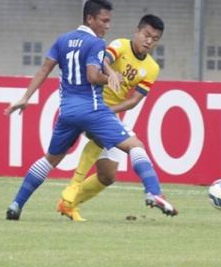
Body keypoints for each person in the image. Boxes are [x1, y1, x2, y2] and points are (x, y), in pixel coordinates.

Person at [4, 0, 178, 220]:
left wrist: (25, 97)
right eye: (104, 21)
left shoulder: (62, 39)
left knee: (50, 160)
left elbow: (43, 70)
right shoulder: (97, 43)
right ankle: (154, 192)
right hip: (93, 109)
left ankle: (16, 204)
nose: (108, 26)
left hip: (67, 111)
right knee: (136, 146)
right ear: (90, 19)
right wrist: (111, 77)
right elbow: (93, 76)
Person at [56, 14, 165, 222]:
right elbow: (103, 61)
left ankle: (68, 204)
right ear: (137, 32)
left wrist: (110, 112)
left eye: (155, 38)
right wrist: (104, 105)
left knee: (107, 176)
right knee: (134, 145)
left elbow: (134, 100)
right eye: (146, 35)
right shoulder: (120, 45)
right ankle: (74, 186)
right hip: (89, 102)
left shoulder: (152, 68)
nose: (149, 41)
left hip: (110, 112)